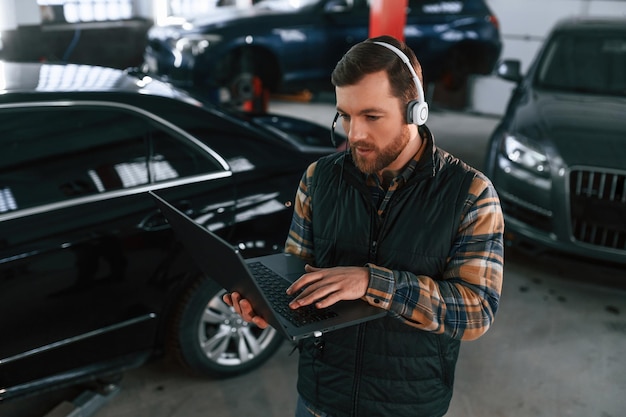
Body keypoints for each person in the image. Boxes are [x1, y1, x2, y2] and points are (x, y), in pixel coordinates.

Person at [224, 35, 504, 417]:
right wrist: (268, 305)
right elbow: (297, 270)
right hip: (320, 398)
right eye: (345, 115)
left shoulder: (471, 193)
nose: (354, 134)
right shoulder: (318, 179)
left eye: (371, 116)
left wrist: (373, 282)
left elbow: (476, 311)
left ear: (415, 111)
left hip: (406, 406)